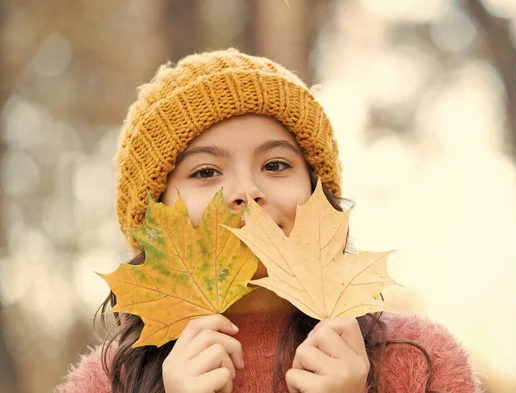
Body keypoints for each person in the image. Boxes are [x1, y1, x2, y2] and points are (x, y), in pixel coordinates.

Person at [56, 48, 480, 393]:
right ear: (154, 223)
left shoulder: (421, 361)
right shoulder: (105, 383)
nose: (247, 191)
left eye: (276, 165)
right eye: (206, 172)